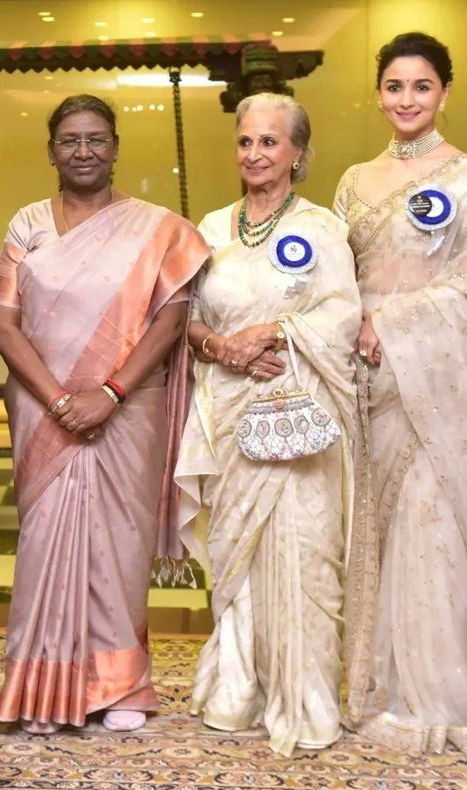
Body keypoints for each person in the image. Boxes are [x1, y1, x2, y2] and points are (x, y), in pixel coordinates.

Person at [0, 94, 209, 735]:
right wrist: (60, 401)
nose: (83, 151)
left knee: (121, 543)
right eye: (69, 140)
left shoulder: (158, 228)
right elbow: (3, 323)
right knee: (41, 547)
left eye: (95, 139)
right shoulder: (27, 223)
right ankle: (44, 688)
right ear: (51, 150)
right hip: (42, 409)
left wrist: (108, 394)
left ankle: (121, 685)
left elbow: (172, 319)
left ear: (115, 146)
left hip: (127, 408)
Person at [332, 33, 467, 756]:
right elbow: (334, 279)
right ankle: (375, 691)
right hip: (365, 382)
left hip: (437, 383)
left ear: (445, 93)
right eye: (396, 86)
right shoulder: (352, 180)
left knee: (430, 530)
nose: (407, 100)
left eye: (422, 87)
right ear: (379, 94)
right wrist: (355, 325)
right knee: (372, 531)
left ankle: (439, 703)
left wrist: (392, 323)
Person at [175, 92, 362, 756]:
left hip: (299, 414)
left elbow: (342, 314)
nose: (256, 153)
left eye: (270, 142)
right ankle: (238, 686)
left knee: (306, 556)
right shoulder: (213, 228)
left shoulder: (321, 228)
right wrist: (223, 347)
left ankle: (305, 698)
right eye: (246, 141)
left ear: (298, 153)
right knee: (237, 556)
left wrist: (276, 332)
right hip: (227, 412)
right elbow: (188, 319)